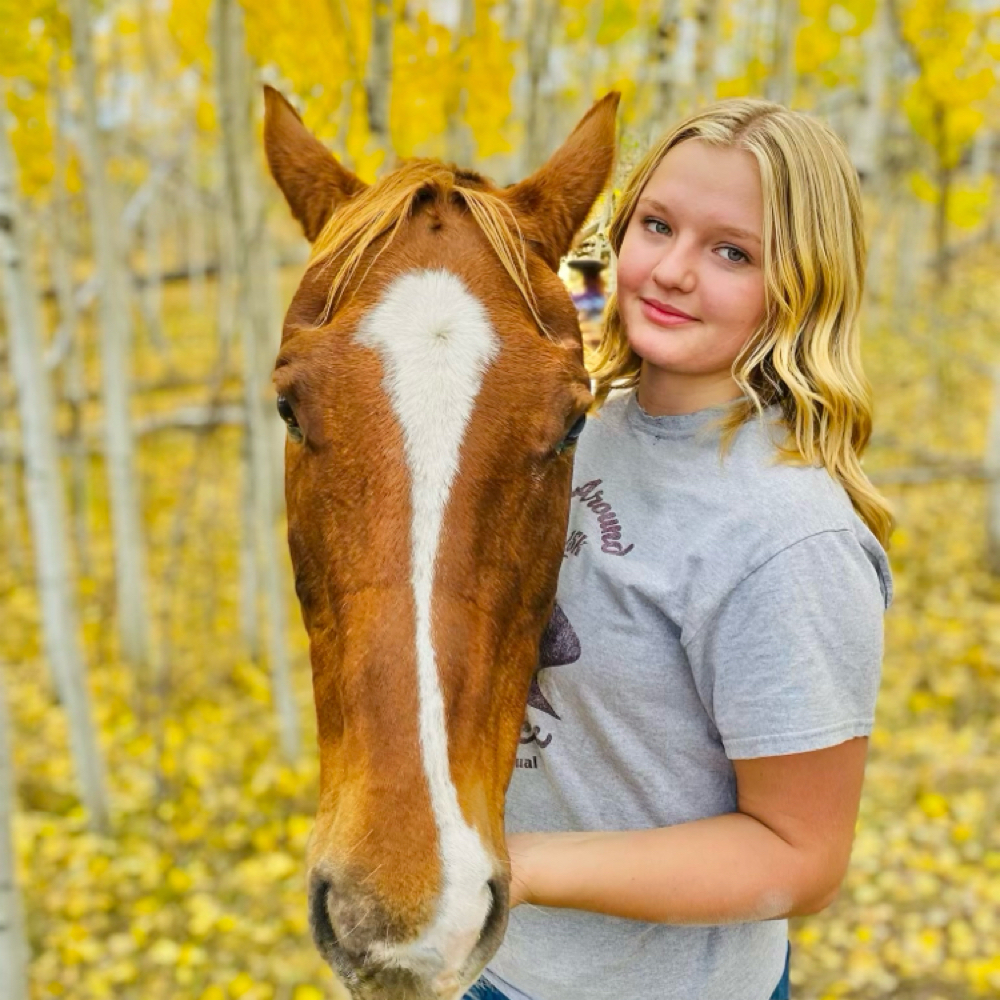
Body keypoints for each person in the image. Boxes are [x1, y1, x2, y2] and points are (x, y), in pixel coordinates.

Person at [463, 98, 893, 1000]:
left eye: (732, 251)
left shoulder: (786, 536)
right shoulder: (578, 431)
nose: (671, 270)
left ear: (802, 286)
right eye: (656, 226)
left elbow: (800, 856)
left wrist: (513, 865)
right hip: (485, 965)